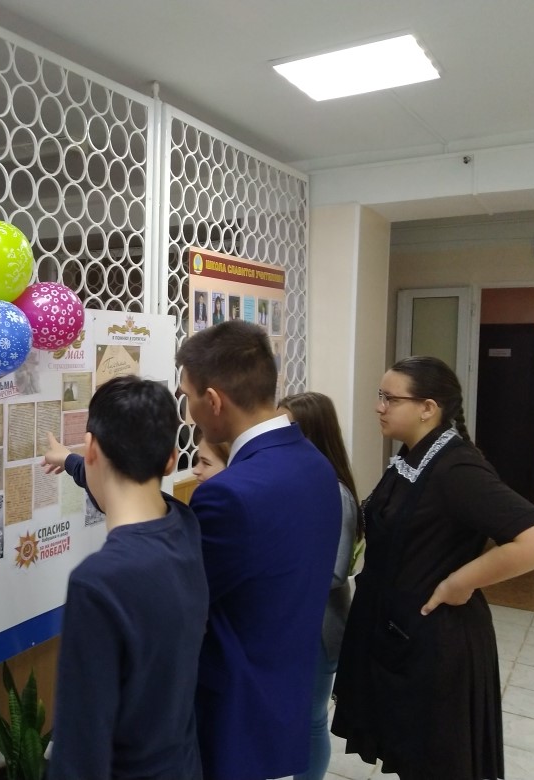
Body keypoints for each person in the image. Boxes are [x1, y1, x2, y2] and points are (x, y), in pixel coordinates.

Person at [331, 356, 534, 780]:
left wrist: (461, 581)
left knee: (436, 762)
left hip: (437, 646)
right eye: (380, 396)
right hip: (401, 635)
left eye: (390, 399)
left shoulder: (456, 468)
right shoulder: (415, 456)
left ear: (428, 408)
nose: (379, 407)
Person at [176, 320, 342, 780]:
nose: (188, 412)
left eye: (187, 397)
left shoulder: (230, 493)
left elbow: (187, 598)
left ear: (214, 401)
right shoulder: (314, 463)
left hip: (231, 704)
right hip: (283, 686)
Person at [41, 375, 209, 780]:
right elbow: (125, 492)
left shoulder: (99, 582)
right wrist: (72, 461)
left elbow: (81, 750)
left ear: (93, 449)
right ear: (171, 459)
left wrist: (80, 459)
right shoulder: (184, 524)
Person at [276, 391, 362, 780]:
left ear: (314, 432)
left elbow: (334, 572)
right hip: (288, 621)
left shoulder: (336, 493)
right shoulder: (289, 481)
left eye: (289, 428)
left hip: (319, 627)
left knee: (310, 719)